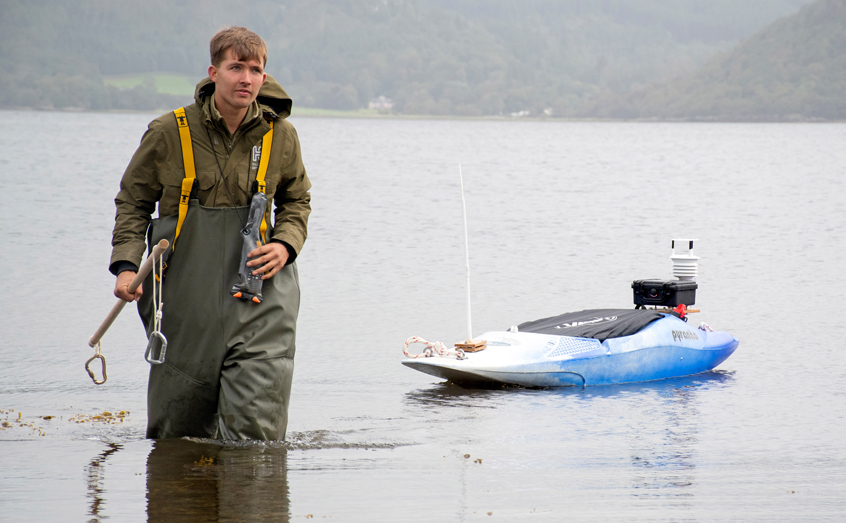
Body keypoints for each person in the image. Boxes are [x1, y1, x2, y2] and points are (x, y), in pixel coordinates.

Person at [109, 27, 311, 440]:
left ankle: (253, 502)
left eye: (256, 70)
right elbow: (132, 202)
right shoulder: (167, 131)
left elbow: (297, 201)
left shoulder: (282, 135)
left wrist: (285, 245)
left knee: (256, 436)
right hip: (184, 299)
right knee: (179, 435)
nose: (246, 79)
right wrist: (127, 268)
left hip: (261, 298)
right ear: (213, 72)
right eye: (236, 67)